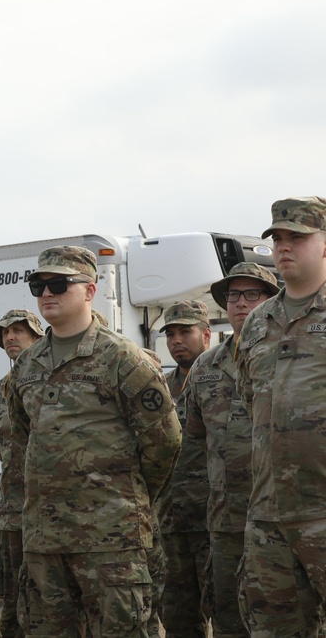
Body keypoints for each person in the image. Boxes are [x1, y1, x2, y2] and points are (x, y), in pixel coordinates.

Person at [7, 246, 181, 637]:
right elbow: (22, 436)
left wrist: (126, 496)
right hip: (44, 541)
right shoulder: (27, 365)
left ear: (89, 290)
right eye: (39, 285)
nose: (46, 293)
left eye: (58, 284)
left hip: (110, 538)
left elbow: (164, 441)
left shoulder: (122, 359)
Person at [236, 197, 326, 636]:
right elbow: (249, 401)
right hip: (269, 516)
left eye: (298, 238)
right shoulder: (257, 324)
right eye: (278, 239)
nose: (285, 247)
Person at [183, 262, 279, 638]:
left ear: (271, 299)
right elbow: (190, 447)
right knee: (228, 620)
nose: (240, 302)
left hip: (281, 519)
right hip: (225, 524)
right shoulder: (205, 366)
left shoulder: (290, 353)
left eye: (251, 293)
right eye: (232, 295)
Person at [0, 309, 45, 638]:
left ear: (37, 337)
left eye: (19, 330)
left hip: (53, 512)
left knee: (51, 601)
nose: (10, 337)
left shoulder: (53, 380)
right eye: (5, 332)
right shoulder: (0, 391)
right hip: (12, 513)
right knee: (12, 602)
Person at [156, 301, 212, 638]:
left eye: (185, 331)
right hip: (171, 523)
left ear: (206, 334)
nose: (177, 340)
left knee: (228, 612)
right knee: (176, 617)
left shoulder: (224, 376)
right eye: (171, 334)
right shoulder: (159, 388)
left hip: (213, 520)